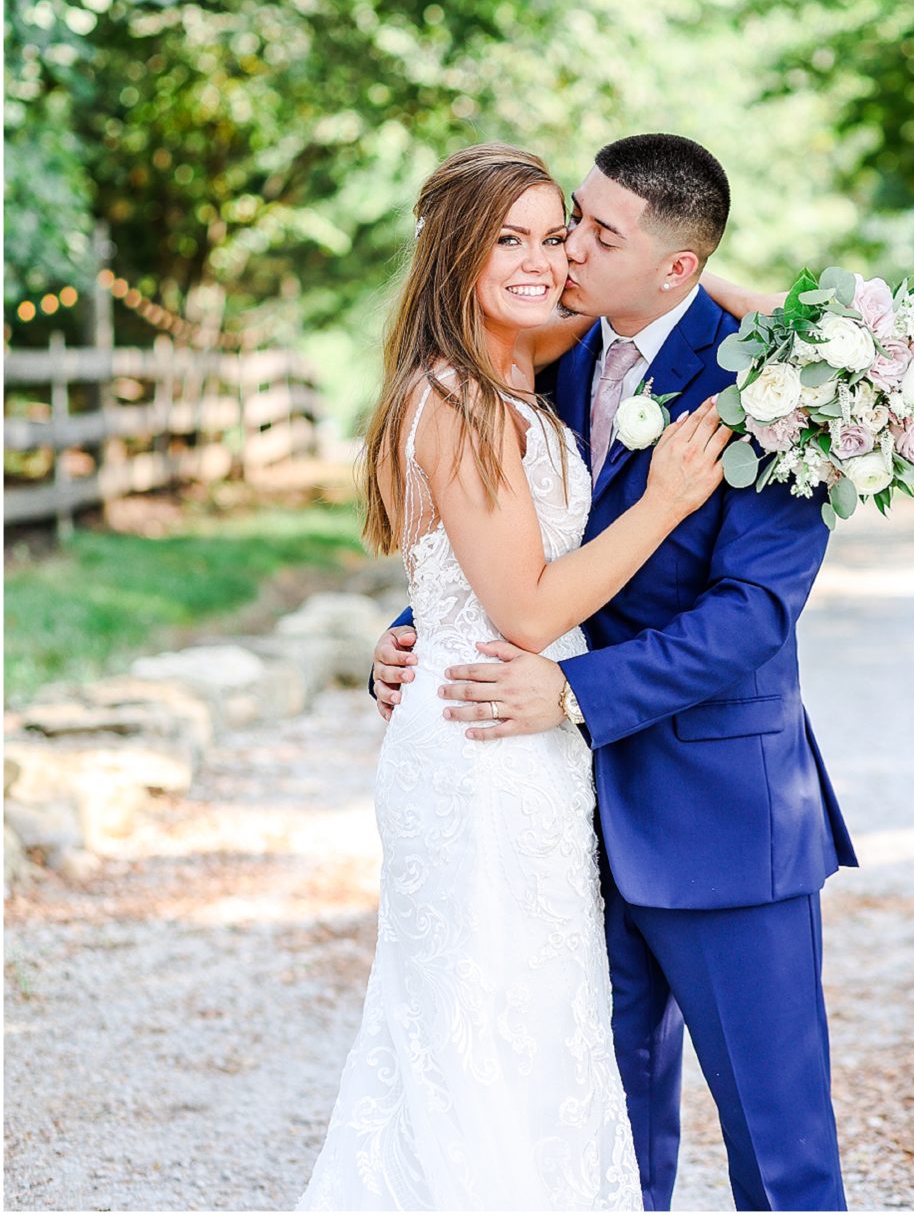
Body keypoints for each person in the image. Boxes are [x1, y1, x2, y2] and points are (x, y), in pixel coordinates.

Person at [375, 133, 859, 1213]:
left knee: (777, 1148)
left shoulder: (782, 390)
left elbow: (752, 617)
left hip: (719, 813)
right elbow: (515, 539)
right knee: (595, 1133)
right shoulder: (558, 349)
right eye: (562, 223)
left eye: (594, 232)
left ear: (677, 266)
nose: (565, 254)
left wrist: (574, 692)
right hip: (553, 816)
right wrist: (421, 625)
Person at [295, 142, 736, 1212]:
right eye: (512, 239)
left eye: (559, 235)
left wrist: (836, 333)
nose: (547, 261)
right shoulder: (460, 398)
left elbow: (682, 288)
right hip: (480, 747)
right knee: (474, 1030)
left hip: (521, 746)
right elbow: (529, 609)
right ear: (457, 253)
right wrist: (664, 502)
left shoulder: (520, 369)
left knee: (530, 1027)